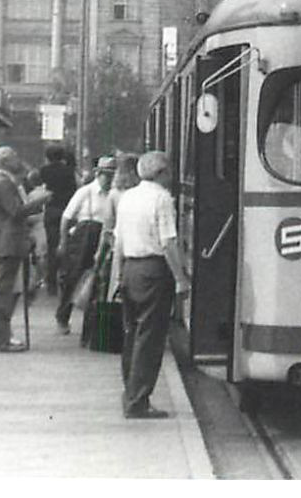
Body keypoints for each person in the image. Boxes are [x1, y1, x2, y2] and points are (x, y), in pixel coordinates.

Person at [110, 149, 190, 419]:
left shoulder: (127, 197)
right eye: (168, 171)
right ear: (161, 173)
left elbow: (118, 241)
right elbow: (168, 242)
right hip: (154, 271)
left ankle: (129, 393)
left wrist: (119, 275)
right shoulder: (162, 199)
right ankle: (138, 401)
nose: (171, 176)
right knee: (150, 337)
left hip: (131, 267)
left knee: (132, 334)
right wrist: (180, 278)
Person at [0, 147, 50, 352]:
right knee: (2, 292)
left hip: (6, 241)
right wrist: (40, 201)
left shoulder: (1, 182)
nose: (17, 160)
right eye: (13, 157)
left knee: (3, 290)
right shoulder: (3, 183)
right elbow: (16, 211)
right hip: (8, 242)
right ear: (5, 161)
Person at [57, 155, 118, 334]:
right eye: (105, 174)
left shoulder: (113, 194)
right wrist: (63, 242)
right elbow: (66, 217)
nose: (109, 179)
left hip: (104, 235)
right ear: (98, 174)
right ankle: (63, 316)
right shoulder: (86, 192)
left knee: (99, 279)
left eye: (112, 175)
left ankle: (91, 324)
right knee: (73, 277)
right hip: (84, 236)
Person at [37, 145, 77, 296]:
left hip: (51, 209)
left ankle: (51, 281)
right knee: (67, 244)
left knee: (52, 245)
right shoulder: (69, 172)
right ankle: (65, 277)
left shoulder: (44, 171)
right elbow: (73, 189)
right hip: (66, 210)